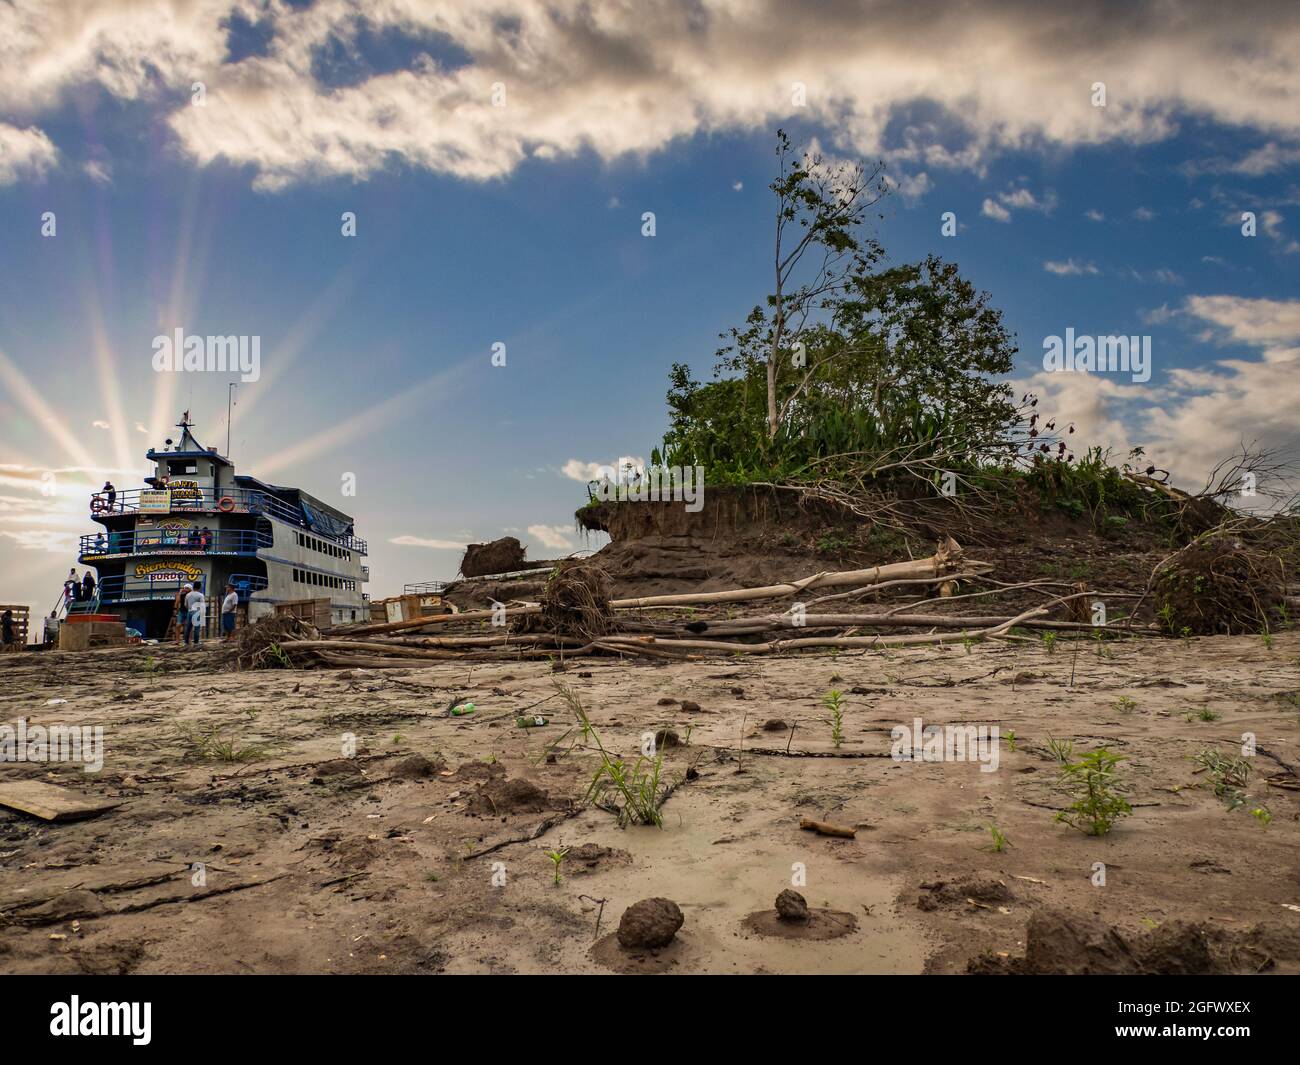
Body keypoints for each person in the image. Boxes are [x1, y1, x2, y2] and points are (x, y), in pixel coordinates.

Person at [184, 583, 206, 648]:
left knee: (188, 628)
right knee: (196, 628)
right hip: (197, 612)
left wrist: (190, 608)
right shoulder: (200, 595)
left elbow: (185, 604)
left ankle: (186, 642)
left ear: (193, 587)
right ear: (199, 587)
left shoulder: (188, 595)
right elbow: (202, 605)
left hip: (190, 611)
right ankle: (196, 642)